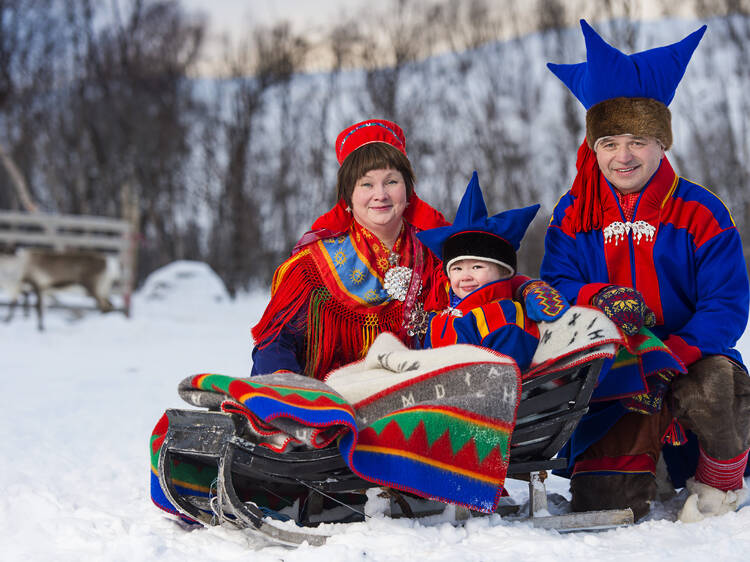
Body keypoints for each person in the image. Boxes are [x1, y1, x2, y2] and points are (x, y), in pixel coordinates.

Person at [542, 20, 750, 521]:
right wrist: (596, 298)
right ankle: (636, 468)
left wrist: (680, 349)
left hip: (691, 357)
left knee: (715, 386)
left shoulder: (700, 211)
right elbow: (554, 288)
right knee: (605, 506)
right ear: (593, 148)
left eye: (637, 141)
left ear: (662, 144)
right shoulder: (574, 213)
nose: (623, 156)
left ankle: (722, 473)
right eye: (610, 142)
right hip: (613, 367)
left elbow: (726, 302)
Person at [251, 119, 448, 380]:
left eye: (391, 182)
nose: (380, 194)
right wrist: (292, 394)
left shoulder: (437, 256)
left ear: (408, 189)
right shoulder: (313, 268)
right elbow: (276, 343)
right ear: (348, 195)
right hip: (335, 407)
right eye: (366, 184)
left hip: (420, 403)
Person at [416, 171, 569, 371]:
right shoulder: (441, 317)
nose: (466, 276)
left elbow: (505, 375)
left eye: (477, 267)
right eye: (457, 268)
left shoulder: (503, 316)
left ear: (504, 272)